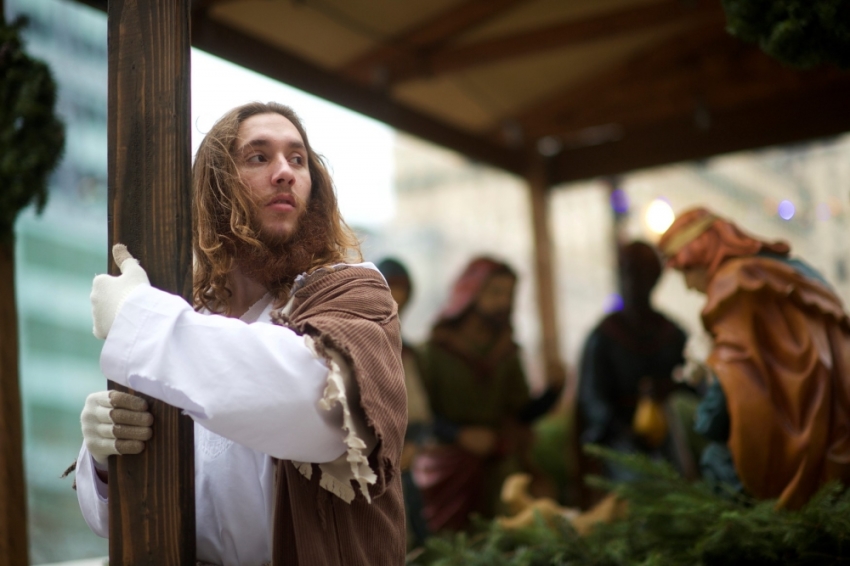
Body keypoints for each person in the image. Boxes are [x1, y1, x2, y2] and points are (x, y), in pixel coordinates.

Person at [75, 102, 407, 565]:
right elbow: (113, 525)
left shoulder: (354, 291)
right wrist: (103, 459)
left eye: (297, 159)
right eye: (258, 157)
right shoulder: (187, 319)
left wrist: (139, 319)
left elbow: (318, 407)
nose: (284, 172)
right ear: (215, 188)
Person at [659, 207, 850, 508]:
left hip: (797, 447)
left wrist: (705, 418)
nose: (688, 286)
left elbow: (736, 381)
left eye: (686, 270)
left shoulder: (733, 286)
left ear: (704, 254)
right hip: (838, 431)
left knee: (715, 459)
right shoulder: (794, 269)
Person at [413, 257, 561, 532]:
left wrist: (553, 391)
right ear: (470, 293)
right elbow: (420, 416)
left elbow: (520, 412)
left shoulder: (506, 352)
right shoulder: (435, 351)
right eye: (495, 293)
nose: (503, 303)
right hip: (448, 462)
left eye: (509, 294)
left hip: (498, 459)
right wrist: (459, 434)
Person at [576, 241, 691, 483]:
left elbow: (693, 383)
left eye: (642, 273)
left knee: (682, 475)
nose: (633, 281)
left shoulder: (672, 333)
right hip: (620, 437)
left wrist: (669, 388)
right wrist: (623, 431)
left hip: (667, 428)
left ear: (655, 279)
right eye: (627, 272)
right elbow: (592, 398)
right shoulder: (604, 337)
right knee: (641, 481)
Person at [375, 257, 432, 548]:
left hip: (407, 455)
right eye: (392, 288)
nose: (398, 297)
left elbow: (421, 411)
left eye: (403, 289)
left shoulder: (408, 353)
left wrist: (413, 444)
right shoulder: (363, 348)